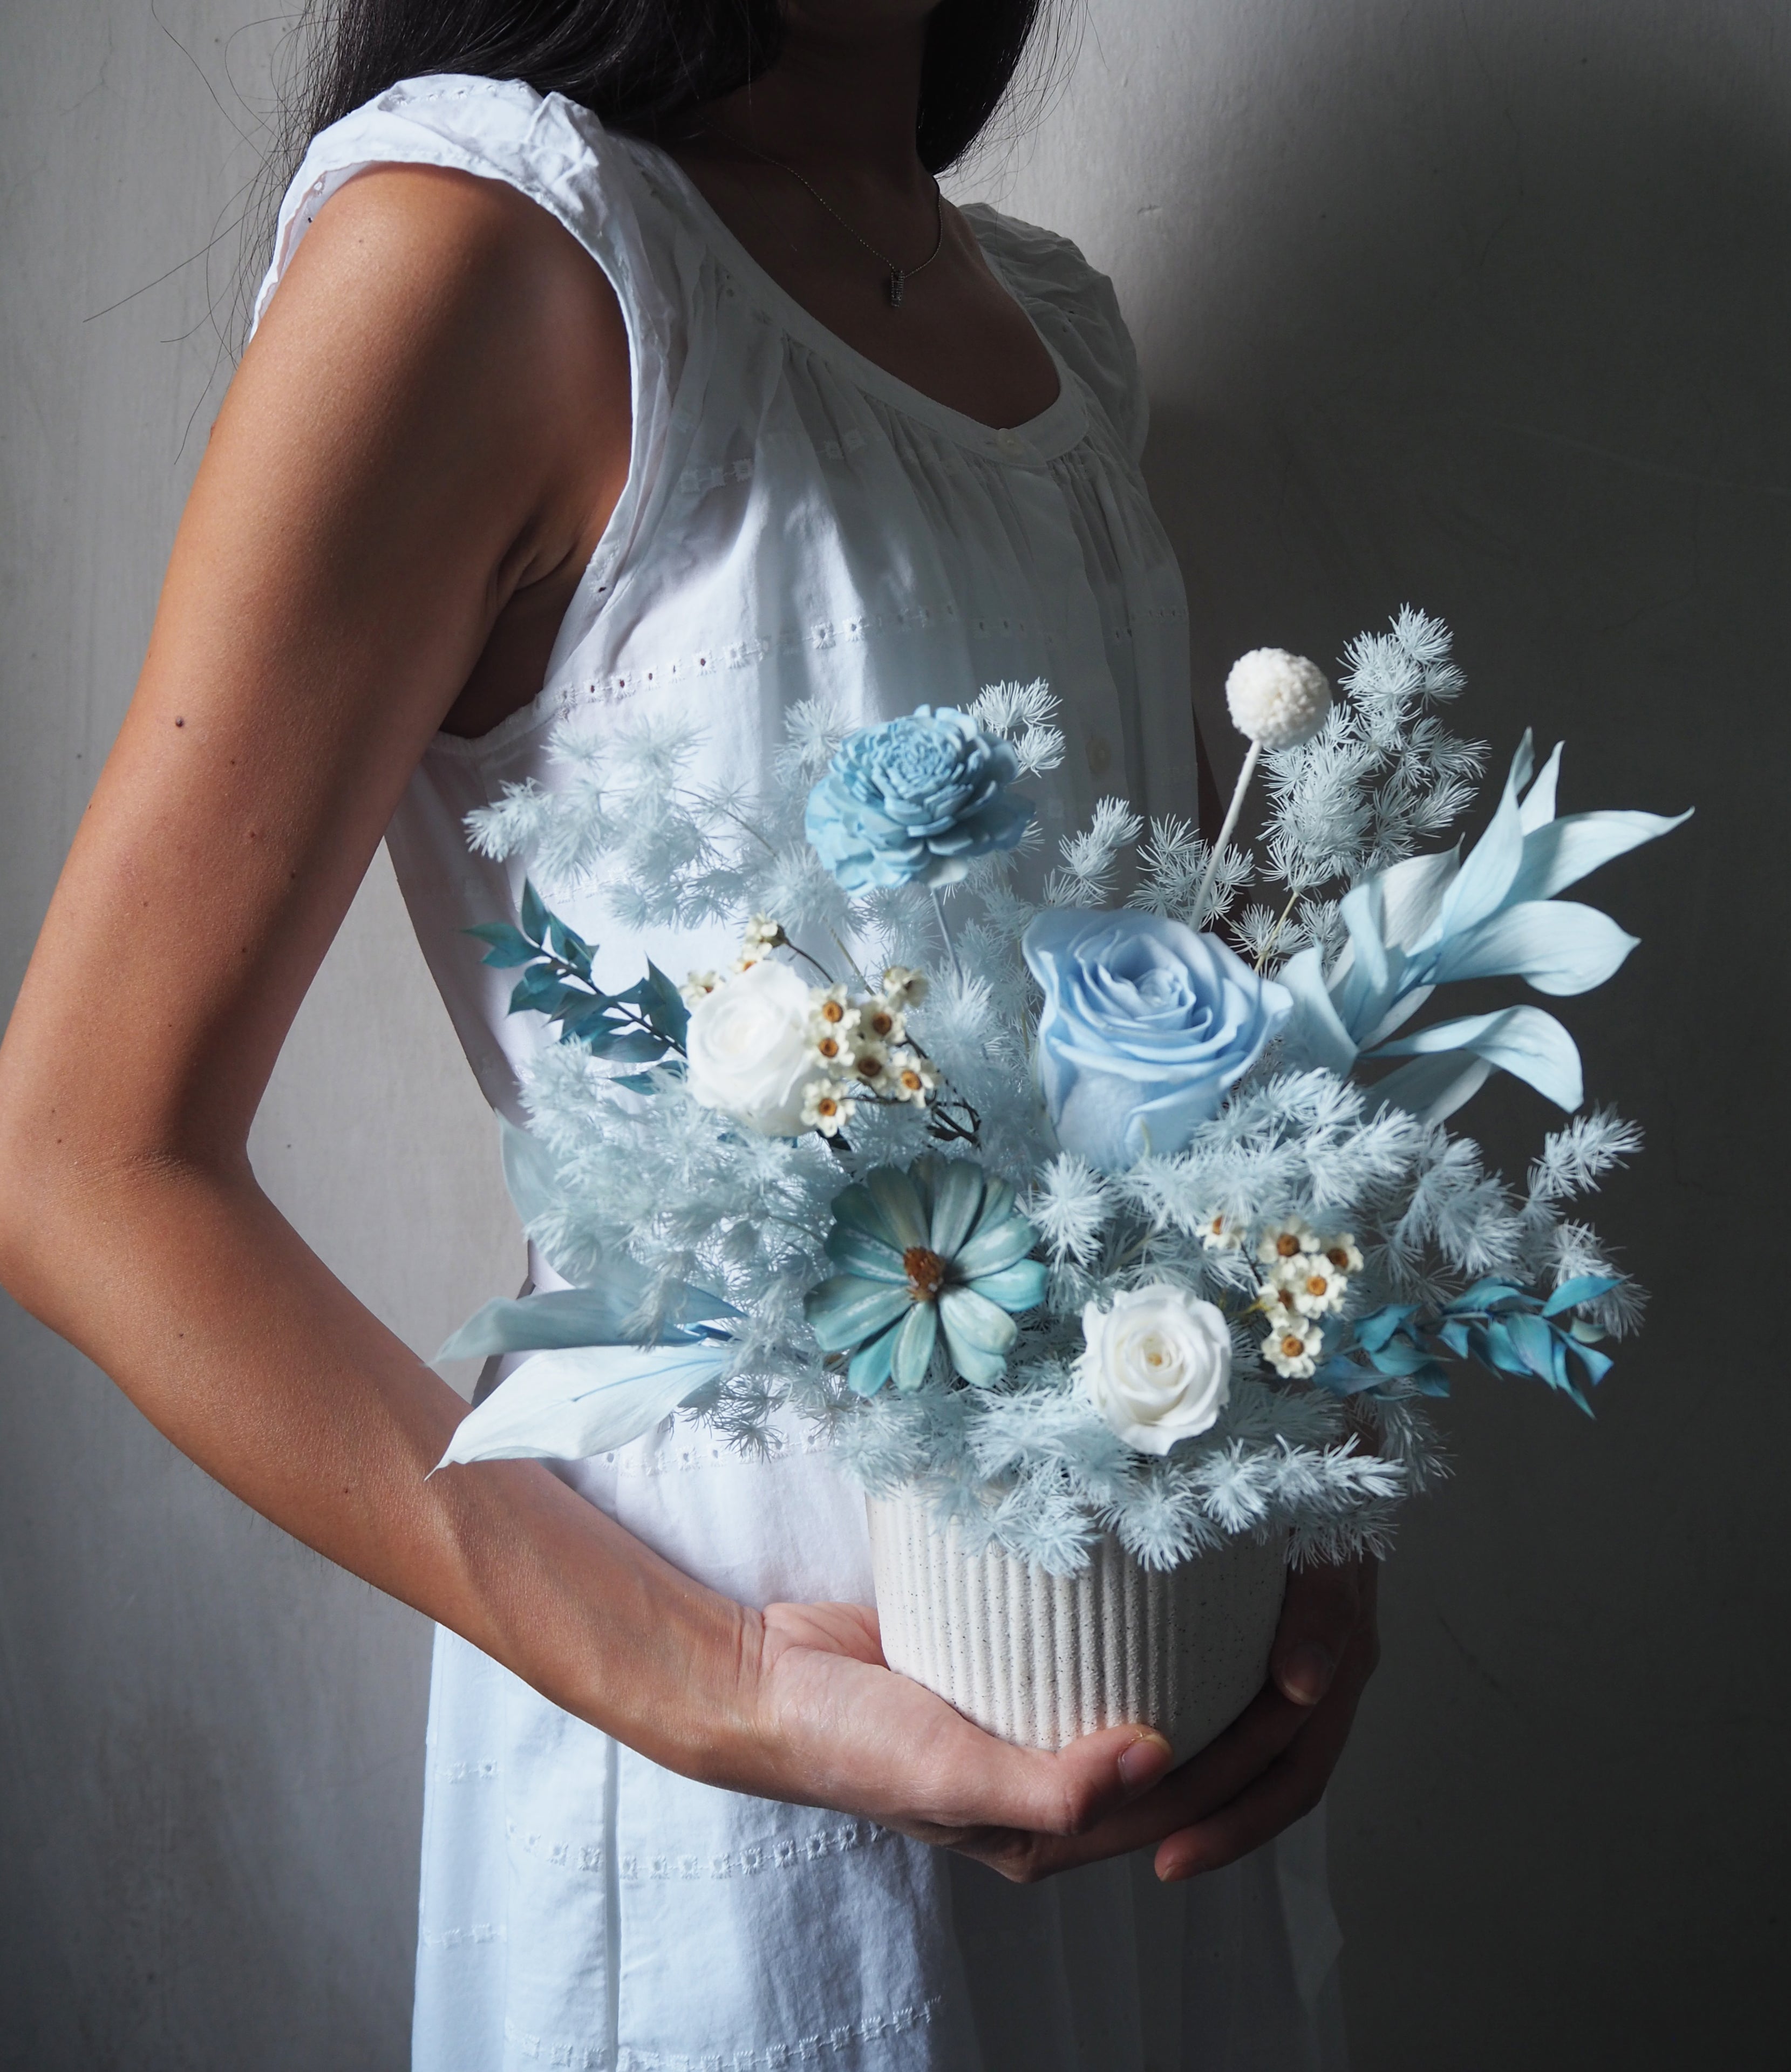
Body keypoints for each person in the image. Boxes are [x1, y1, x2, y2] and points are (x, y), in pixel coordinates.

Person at [0, 3, 1375, 2064]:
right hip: (756, 1789)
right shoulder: (483, 247)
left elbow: (1196, 1042)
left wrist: (1306, 1502)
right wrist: (706, 1672)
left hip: (1150, 1702)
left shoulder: (1053, 330)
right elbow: (78, 1162)